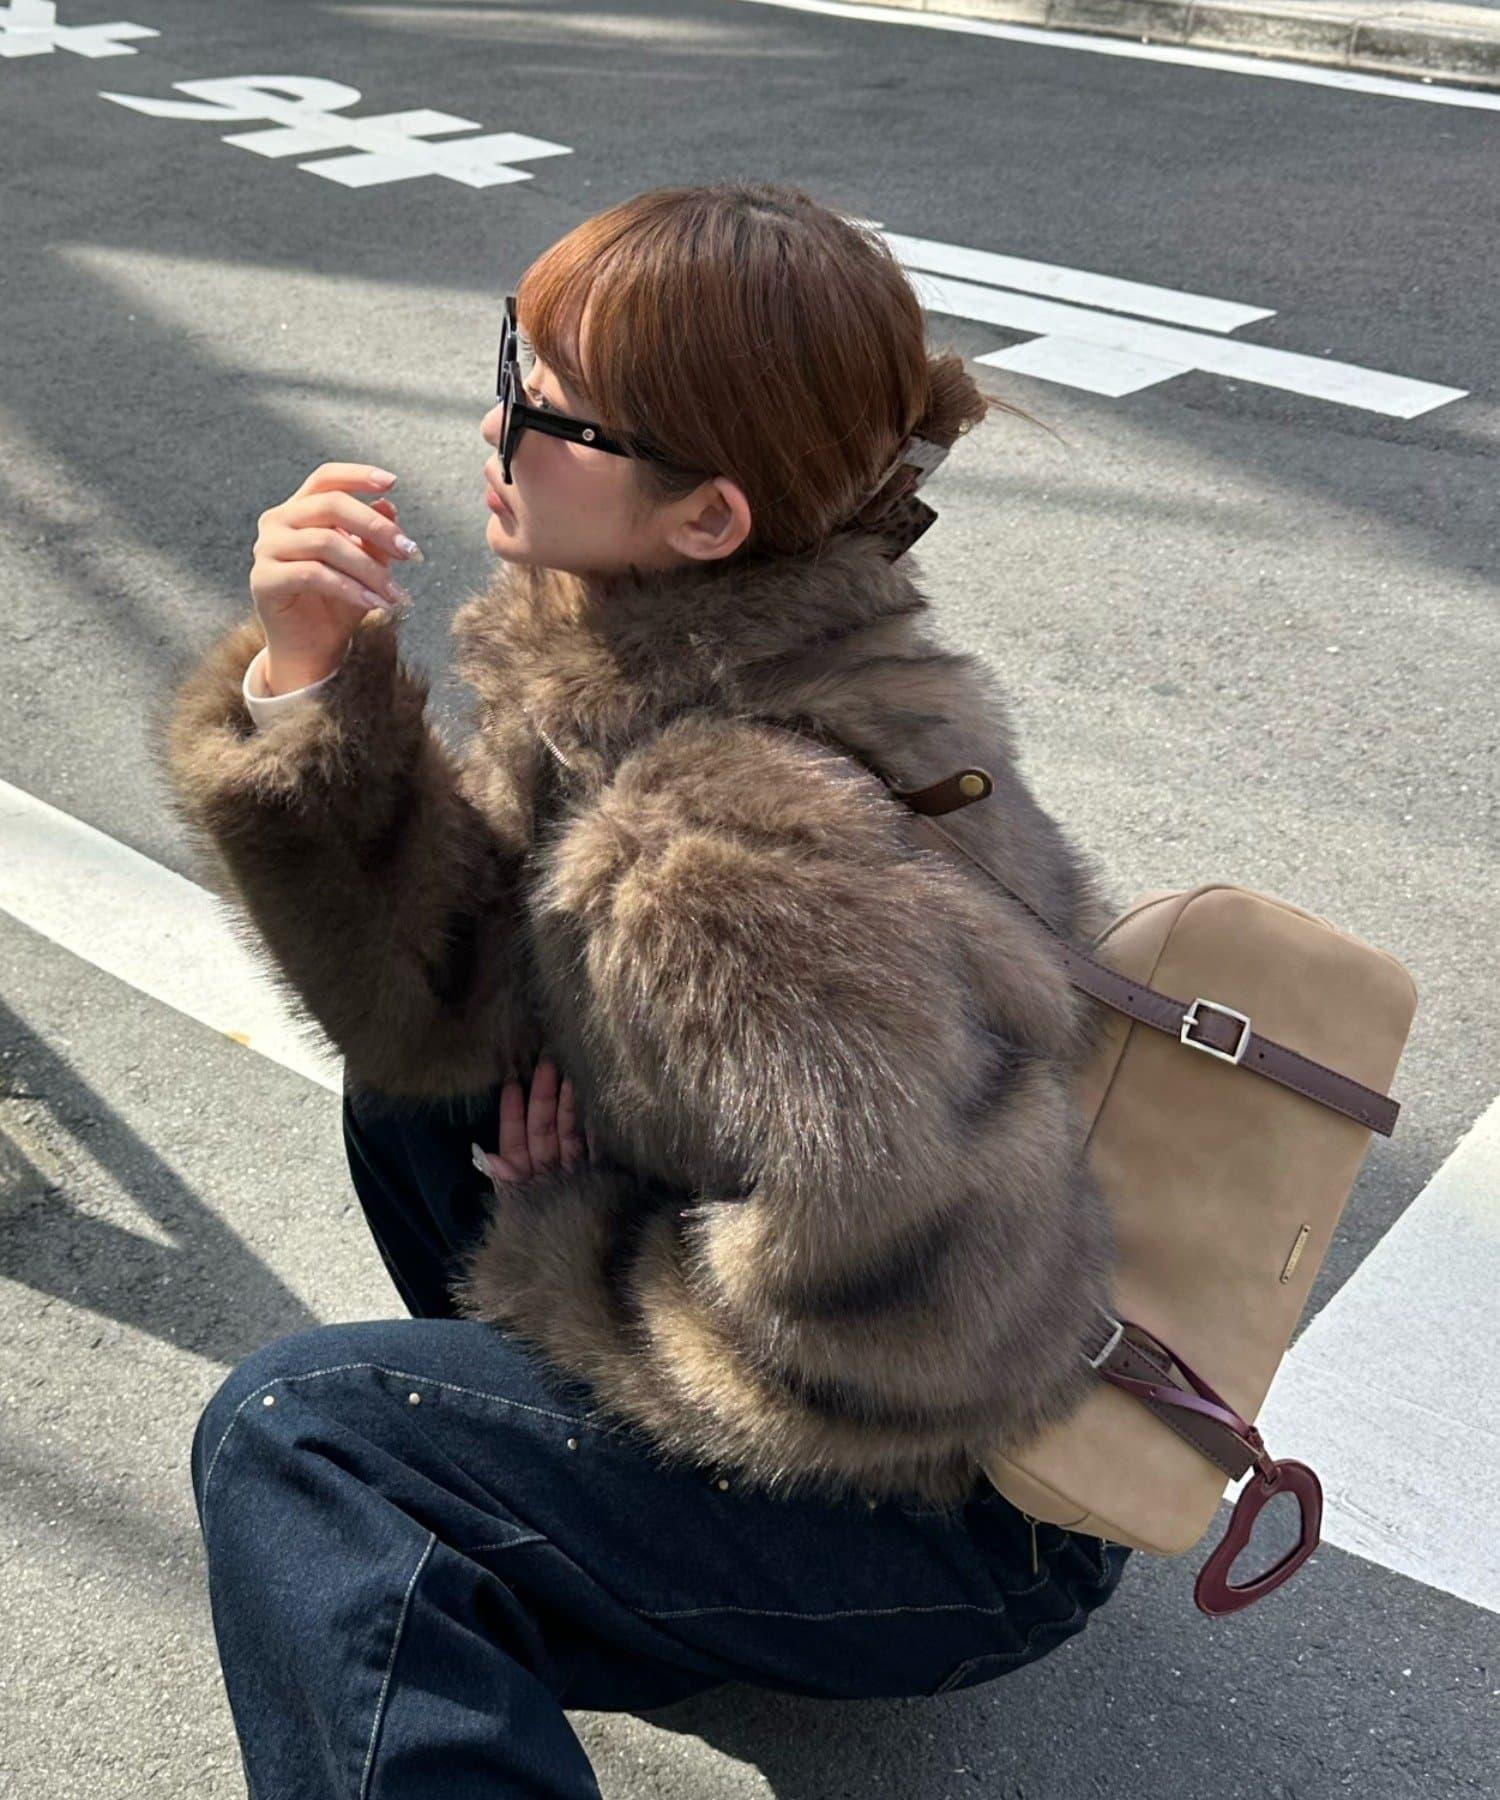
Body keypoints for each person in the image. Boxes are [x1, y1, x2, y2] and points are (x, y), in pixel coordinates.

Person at [150, 180, 1132, 1799]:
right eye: (513, 359)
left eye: (548, 408)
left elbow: (932, 1326)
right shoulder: (649, 648)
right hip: (868, 1361)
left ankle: (539, 1545)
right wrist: (307, 681)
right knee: (418, 1104)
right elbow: (441, 994)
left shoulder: (732, 859)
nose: (497, 422)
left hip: (952, 1517)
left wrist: (561, 1260)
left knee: (305, 1440)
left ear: (709, 520)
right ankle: (552, 1542)